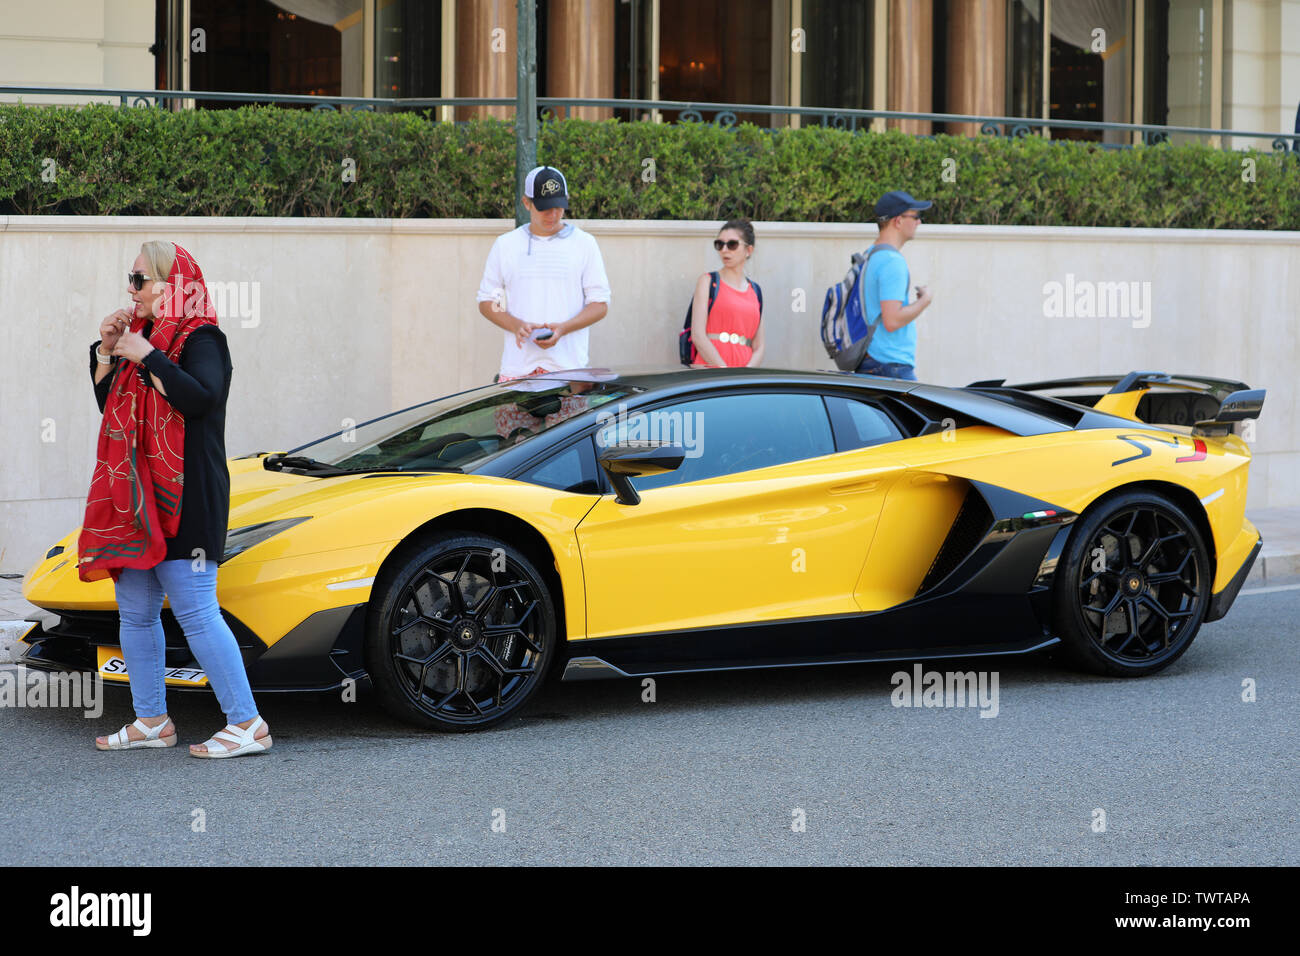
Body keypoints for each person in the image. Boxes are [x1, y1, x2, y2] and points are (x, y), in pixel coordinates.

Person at [83, 241, 271, 758]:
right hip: (140, 497)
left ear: (173, 287)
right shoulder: (138, 337)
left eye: (139, 279)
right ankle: (151, 719)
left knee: (195, 609)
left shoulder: (203, 337)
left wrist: (149, 355)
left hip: (187, 495)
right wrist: (107, 349)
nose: (130, 288)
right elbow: (111, 406)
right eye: (131, 278)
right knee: (136, 611)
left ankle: (247, 723)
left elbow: (201, 398)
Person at [476, 165, 611, 383]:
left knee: (574, 419)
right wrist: (515, 325)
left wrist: (564, 329)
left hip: (570, 372)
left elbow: (600, 304)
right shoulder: (505, 245)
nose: (553, 214)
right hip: (516, 372)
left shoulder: (585, 244)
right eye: (544, 208)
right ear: (526, 203)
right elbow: (487, 301)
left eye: (559, 206)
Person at [856, 190, 934, 381]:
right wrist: (925, 301)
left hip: (872, 361)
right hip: (890, 364)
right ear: (898, 221)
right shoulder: (892, 261)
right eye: (915, 216)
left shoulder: (871, 255)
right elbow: (892, 321)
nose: (919, 222)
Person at [689, 218, 765, 368]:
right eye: (719, 244)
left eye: (732, 244)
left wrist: (746, 375)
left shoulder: (755, 291)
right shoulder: (708, 281)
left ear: (749, 250)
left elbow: (759, 346)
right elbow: (698, 335)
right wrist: (724, 372)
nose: (724, 250)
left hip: (743, 376)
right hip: (710, 370)